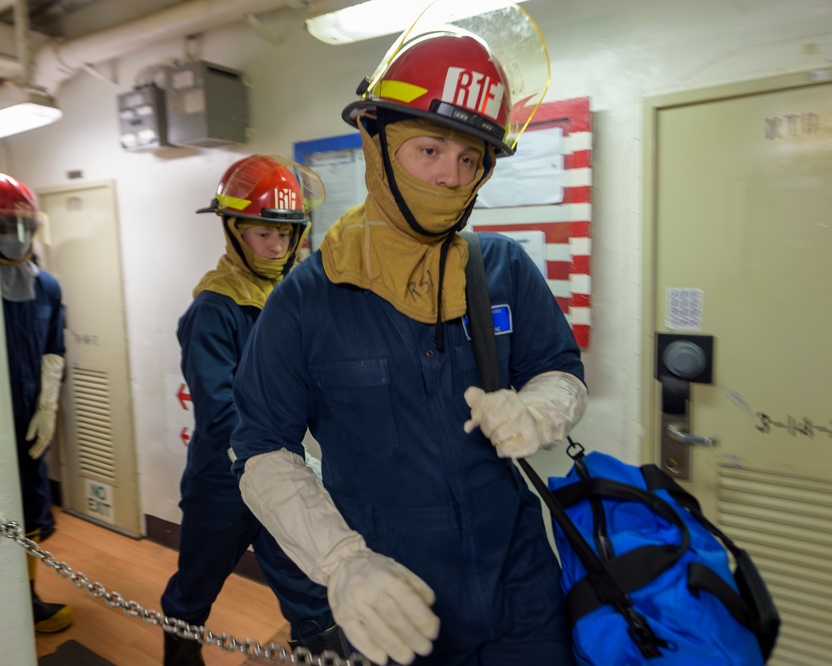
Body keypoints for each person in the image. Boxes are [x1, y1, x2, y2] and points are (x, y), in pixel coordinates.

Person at [230, 2, 587, 665]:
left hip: (522, 588)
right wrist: (342, 565)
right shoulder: (306, 300)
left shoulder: (502, 268)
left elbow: (560, 365)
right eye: (428, 150)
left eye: (470, 159)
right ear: (377, 141)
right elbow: (259, 449)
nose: (451, 177)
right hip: (397, 603)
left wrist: (540, 408)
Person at [159, 154, 336, 665]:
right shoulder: (213, 308)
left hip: (283, 473)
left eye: (287, 234)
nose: (278, 247)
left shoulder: (288, 296)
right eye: (263, 234)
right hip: (223, 481)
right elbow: (219, 410)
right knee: (192, 594)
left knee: (310, 594)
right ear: (234, 230)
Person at [1, 173, 74, 633]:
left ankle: (25, 600)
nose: (18, 237)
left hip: (29, 419)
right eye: (7, 226)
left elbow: (53, 348)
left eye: (25, 225)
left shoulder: (46, 286)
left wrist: (47, 405)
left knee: (29, 507)